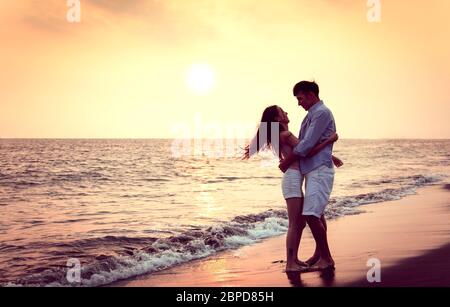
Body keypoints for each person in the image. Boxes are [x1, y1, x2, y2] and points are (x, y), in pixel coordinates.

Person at [243, 104, 343, 272]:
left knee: (301, 222)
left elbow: (304, 149)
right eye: (283, 112)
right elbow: (307, 152)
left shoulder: (281, 135)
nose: (287, 112)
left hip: (294, 178)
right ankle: (291, 263)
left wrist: (330, 155)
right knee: (295, 224)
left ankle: (296, 259)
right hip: (292, 179)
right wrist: (329, 141)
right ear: (277, 119)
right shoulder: (286, 135)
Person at [279, 81, 338, 270]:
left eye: (300, 98)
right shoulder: (311, 115)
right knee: (317, 214)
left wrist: (287, 161)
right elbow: (305, 144)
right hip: (312, 169)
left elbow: (305, 145)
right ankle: (319, 255)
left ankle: (326, 258)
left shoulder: (321, 113)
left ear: (311, 95)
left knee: (311, 215)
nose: (298, 103)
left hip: (319, 169)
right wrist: (329, 146)